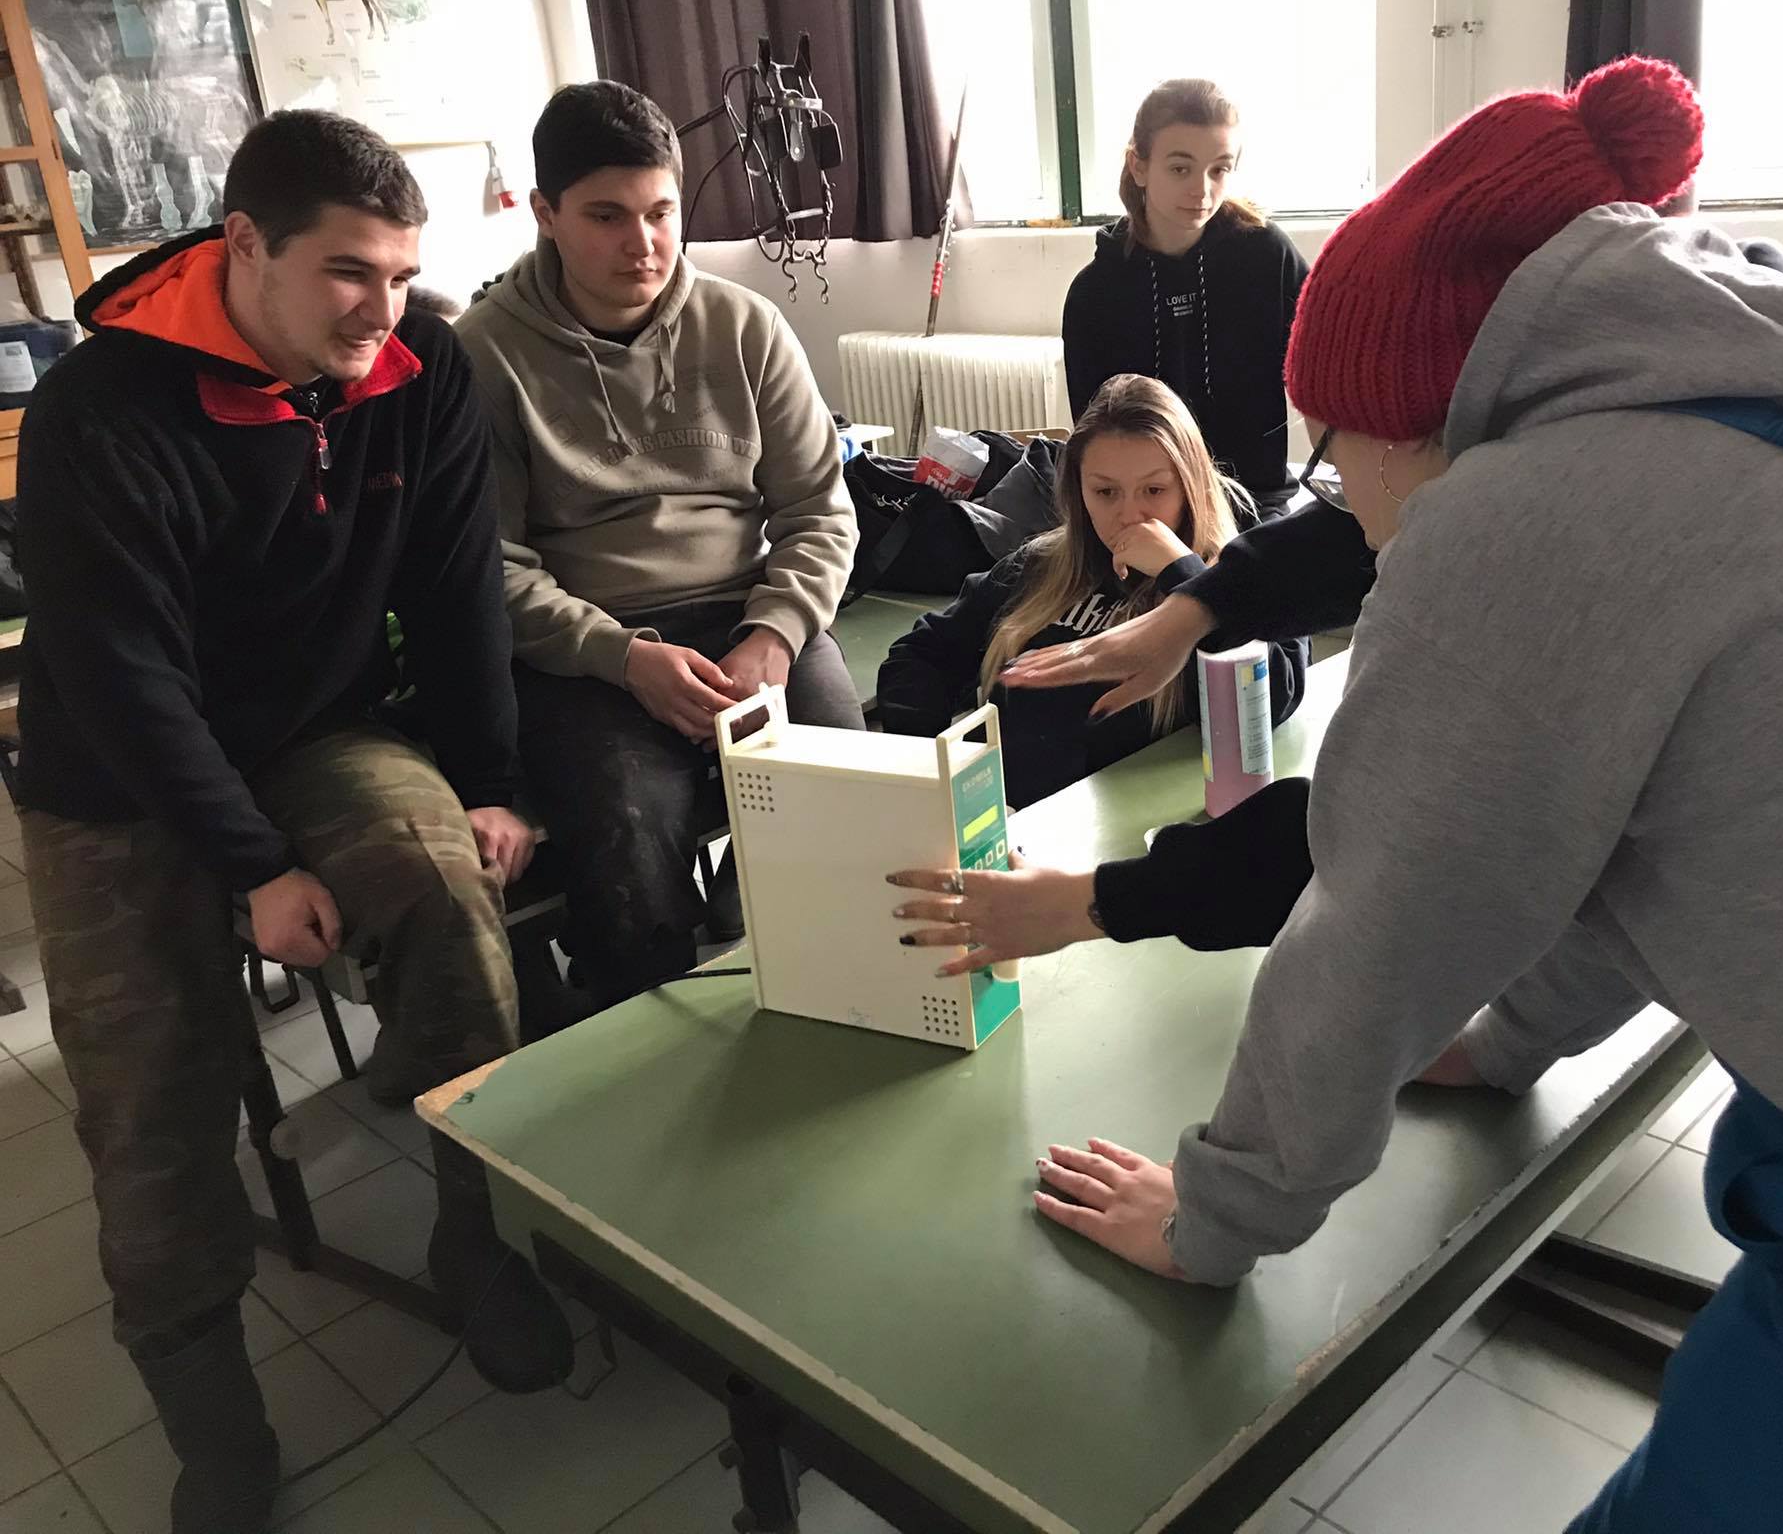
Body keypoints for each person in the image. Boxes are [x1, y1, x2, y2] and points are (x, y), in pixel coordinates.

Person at [989, 58, 1783, 1533]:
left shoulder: (1527, 522)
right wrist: (1508, 1040)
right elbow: (1641, 828)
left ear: (1402, 419)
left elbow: (1379, 922)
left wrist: (1215, 1217)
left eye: (1331, 453)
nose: (1345, 501)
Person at [14, 111, 573, 1534]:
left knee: (458, 914)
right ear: (244, 245)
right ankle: (214, 1425)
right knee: (152, 1106)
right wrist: (254, 867)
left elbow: (456, 590)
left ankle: (473, 1240)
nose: (382, 311)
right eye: (348, 273)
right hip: (116, 779)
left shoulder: (418, 367)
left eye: (402, 275)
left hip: (319, 730)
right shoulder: (99, 408)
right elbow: (123, 679)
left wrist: (489, 780)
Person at [456, 81, 862, 1010]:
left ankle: (824, 987)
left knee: (848, 797)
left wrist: (776, 635)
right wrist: (623, 658)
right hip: (585, 649)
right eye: (606, 217)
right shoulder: (483, 355)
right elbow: (490, 568)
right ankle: (644, 1027)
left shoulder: (746, 326)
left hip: (746, 616)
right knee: (630, 834)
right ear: (546, 214)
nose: (642, 242)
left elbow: (819, 509)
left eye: (661, 212)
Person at [875, 374, 1307, 809]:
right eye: (1105, 492)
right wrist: (940, 773)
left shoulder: (1242, 576)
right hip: (1019, 823)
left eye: (1154, 490)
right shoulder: (1041, 567)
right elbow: (920, 654)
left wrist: (1185, 577)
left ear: (1190, 487)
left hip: (1140, 828)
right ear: (1079, 491)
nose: (1129, 514)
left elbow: (1269, 704)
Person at [1062, 80, 1307, 508]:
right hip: (1147, 509)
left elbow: (1328, 365)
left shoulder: (1269, 256)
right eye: (1181, 169)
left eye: (1219, 169)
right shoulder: (1093, 294)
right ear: (1139, 166)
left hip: (1257, 500)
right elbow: (1095, 442)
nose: (1202, 190)